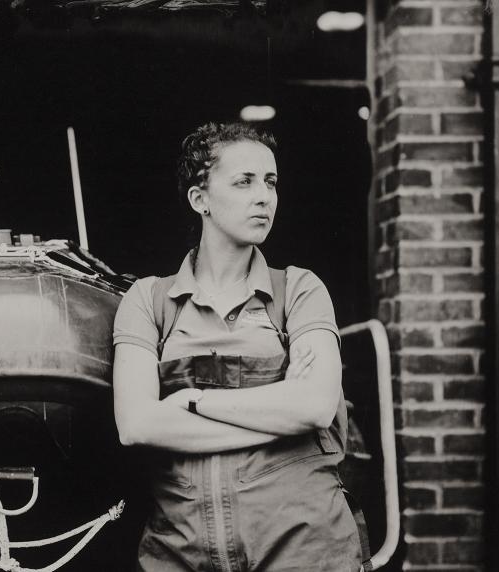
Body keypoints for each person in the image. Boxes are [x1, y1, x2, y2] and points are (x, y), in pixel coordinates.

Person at [112, 122, 366, 572]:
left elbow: (315, 407)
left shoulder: (300, 291)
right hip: (182, 550)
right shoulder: (147, 300)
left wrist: (193, 401)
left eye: (270, 182)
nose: (264, 196)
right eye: (244, 181)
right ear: (200, 199)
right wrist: (279, 413)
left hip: (303, 546)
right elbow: (135, 424)